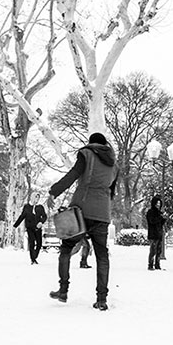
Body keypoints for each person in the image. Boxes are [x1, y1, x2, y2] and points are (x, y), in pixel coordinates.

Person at [46, 132, 118, 309]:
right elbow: (112, 191)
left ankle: (63, 290)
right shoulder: (114, 165)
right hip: (102, 214)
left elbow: (73, 175)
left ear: (92, 143)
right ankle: (102, 299)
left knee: (66, 248)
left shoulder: (86, 154)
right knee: (102, 255)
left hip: (81, 212)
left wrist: (54, 191)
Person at [14, 193, 48, 264]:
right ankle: (32, 259)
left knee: (39, 244)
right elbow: (22, 216)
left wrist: (41, 222)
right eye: (36, 197)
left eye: (38, 198)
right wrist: (15, 225)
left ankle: (34, 256)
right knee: (32, 243)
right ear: (32, 198)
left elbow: (44, 216)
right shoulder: (27, 207)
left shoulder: (40, 207)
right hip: (30, 228)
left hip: (38, 228)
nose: (37, 199)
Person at [146, 195, 166, 270]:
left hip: (159, 234)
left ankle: (157, 264)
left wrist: (163, 219)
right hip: (153, 234)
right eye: (157, 204)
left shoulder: (159, 213)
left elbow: (160, 223)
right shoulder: (150, 212)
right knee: (153, 250)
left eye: (159, 204)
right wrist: (160, 218)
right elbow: (152, 221)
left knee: (159, 251)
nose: (158, 205)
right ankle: (150, 265)